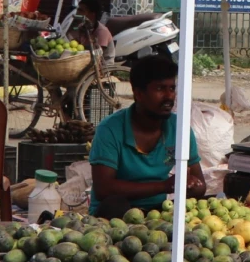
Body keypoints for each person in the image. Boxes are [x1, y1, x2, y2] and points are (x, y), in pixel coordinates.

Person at [88, 55, 205, 218]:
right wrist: (164, 186)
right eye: (160, 89)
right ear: (138, 93)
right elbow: (104, 189)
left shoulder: (180, 128)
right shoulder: (110, 129)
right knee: (115, 206)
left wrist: (192, 185)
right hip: (115, 215)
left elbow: (200, 185)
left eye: (172, 88)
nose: (169, 96)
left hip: (157, 213)